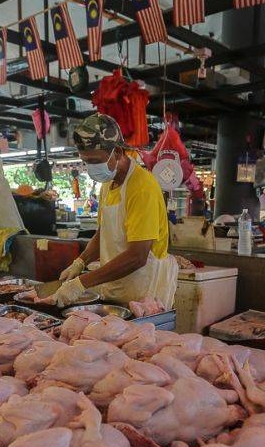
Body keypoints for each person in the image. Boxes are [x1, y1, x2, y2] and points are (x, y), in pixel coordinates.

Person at [52, 113, 178, 308]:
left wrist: (80, 284)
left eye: (95, 161)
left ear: (118, 152)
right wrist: (80, 262)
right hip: (116, 288)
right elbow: (104, 234)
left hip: (145, 296)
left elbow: (138, 256)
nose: (91, 168)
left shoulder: (142, 187)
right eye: (86, 162)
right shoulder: (107, 184)